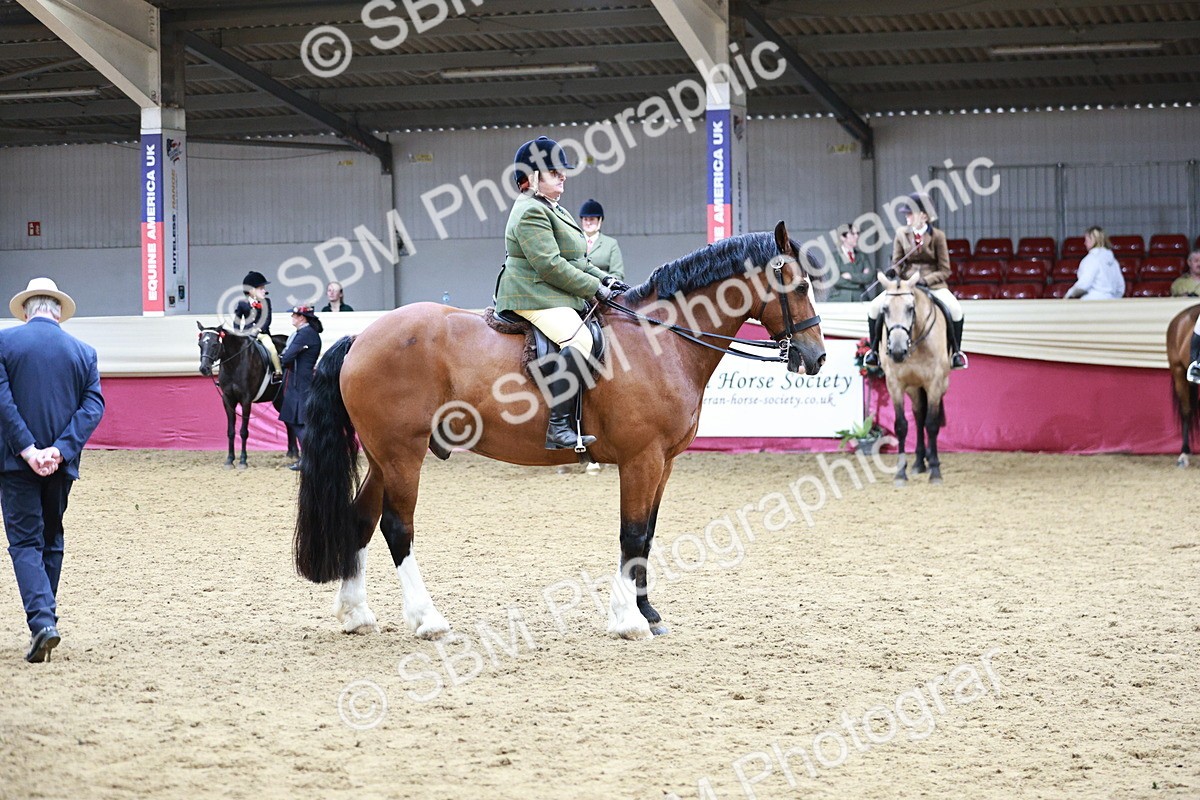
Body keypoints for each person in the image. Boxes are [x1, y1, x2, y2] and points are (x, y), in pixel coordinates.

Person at [494, 136, 626, 450]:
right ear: (532, 178)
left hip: (550, 292)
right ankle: (559, 427)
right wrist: (594, 288)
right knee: (580, 338)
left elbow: (577, 260)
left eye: (561, 171)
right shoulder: (530, 211)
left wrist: (608, 281)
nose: (562, 175)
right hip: (532, 294)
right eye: (553, 171)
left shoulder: (554, 209)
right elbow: (550, 266)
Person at [0, 278, 104, 662]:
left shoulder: (4, 344)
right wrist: (59, 452)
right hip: (61, 467)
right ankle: (46, 619)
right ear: (58, 311)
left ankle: (43, 621)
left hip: (14, 462)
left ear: (26, 310)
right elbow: (92, 407)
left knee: (25, 542)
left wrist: (28, 449)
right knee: (52, 539)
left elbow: (3, 404)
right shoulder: (84, 351)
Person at [864, 194, 968, 370]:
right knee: (874, 307)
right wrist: (893, 271)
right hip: (905, 285)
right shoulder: (901, 234)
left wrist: (926, 281)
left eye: (911, 213)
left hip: (931, 284)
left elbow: (945, 270)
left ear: (924, 216)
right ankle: (874, 352)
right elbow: (897, 262)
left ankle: (956, 353)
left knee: (956, 310)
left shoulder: (937, 236)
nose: (907, 217)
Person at [278, 306, 323, 470]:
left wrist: (283, 358)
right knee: (298, 421)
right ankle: (309, 458)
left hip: (300, 382)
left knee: (299, 421)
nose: (292, 317)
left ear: (302, 318)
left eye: (295, 315)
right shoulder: (308, 333)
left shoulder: (304, 333)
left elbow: (288, 356)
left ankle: (309, 459)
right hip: (300, 380)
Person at [233, 270, 282, 381]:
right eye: (261, 288)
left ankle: (278, 372)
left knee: (272, 350)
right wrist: (237, 332)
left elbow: (268, 319)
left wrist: (259, 329)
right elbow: (237, 319)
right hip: (247, 333)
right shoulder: (242, 303)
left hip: (262, 334)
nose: (264, 291)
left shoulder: (266, 302)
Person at [1063, 226, 1124, 301]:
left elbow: (1084, 284)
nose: (1084, 243)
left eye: (1087, 240)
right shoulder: (1114, 262)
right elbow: (1120, 287)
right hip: (1111, 301)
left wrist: (1069, 294)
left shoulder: (1091, 259)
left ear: (1093, 240)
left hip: (1093, 301)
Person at [578, 199, 625, 281]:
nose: (588, 223)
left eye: (592, 219)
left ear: (599, 220)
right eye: (585, 219)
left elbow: (618, 273)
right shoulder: (574, 240)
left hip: (603, 288)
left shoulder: (611, 243)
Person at [825, 223, 870, 302]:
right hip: (839, 300)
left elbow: (869, 277)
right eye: (853, 233)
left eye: (857, 233)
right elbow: (836, 280)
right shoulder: (833, 257)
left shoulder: (862, 256)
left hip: (860, 299)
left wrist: (850, 276)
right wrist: (860, 281)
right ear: (843, 237)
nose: (857, 236)